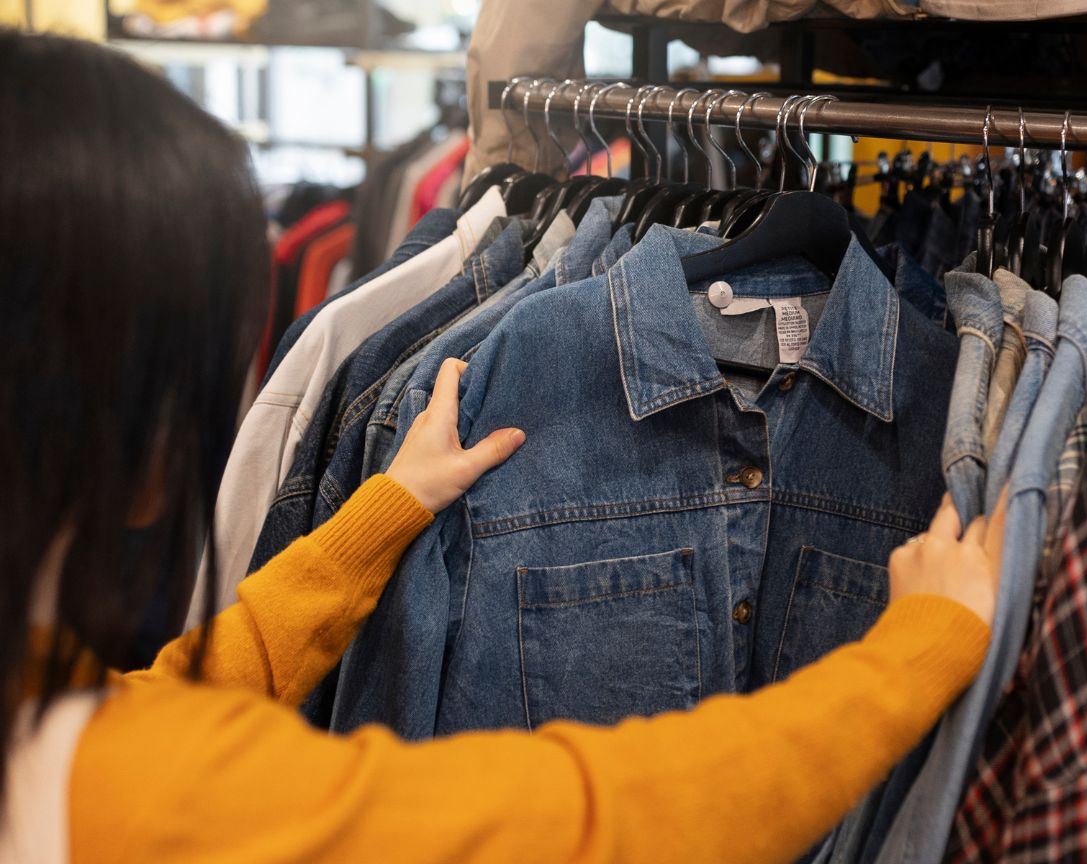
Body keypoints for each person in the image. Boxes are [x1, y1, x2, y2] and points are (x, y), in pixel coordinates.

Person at [0, 29, 1002, 863]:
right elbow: (598, 819)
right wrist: (912, 653)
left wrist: (385, 511)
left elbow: (197, 679)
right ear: (124, 425)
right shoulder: (113, 786)